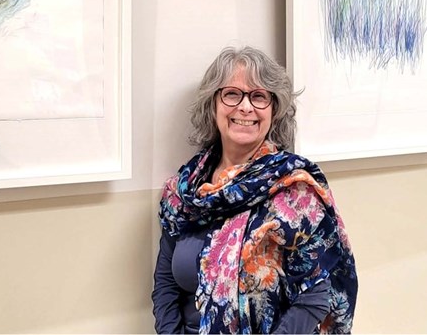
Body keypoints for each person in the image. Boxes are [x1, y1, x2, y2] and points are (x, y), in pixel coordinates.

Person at [153, 46, 357, 334]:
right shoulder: (183, 193)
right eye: (232, 94)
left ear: (275, 110)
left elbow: (315, 296)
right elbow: (165, 284)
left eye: (259, 96)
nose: (246, 107)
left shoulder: (295, 191)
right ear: (213, 105)